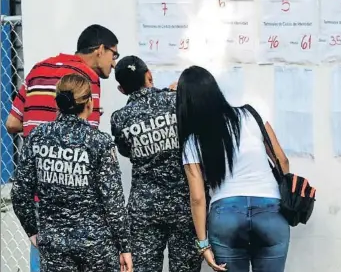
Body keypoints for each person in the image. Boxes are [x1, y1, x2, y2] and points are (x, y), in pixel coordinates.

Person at [5, 24, 119, 272]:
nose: (114, 63)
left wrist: (41, 133)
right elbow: (86, 136)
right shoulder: (87, 77)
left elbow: (12, 123)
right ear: (100, 49)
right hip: (80, 210)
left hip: (42, 197)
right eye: (114, 54)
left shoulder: (37, 69)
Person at [11, 73, 133, 272]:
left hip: (54, 245)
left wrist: (33, 230)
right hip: (97, 246)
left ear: (57, 102)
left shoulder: (37, 137)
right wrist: (125, 248)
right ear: (89, 103)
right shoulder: (99, 142)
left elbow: (19, 193)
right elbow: (114, 202)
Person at [177, 65, 291, 272]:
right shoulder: (251, 117)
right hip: (270, 212)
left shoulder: (192, 141)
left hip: (226, 216)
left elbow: (197, 197)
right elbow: (282, 161)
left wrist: (203, 245)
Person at [110, 56, 202, 272]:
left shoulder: (119, 118)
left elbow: (126, 151)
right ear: (149, 75)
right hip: (184, 206)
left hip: (144, 210)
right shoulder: (176, 101)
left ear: (121, 89)